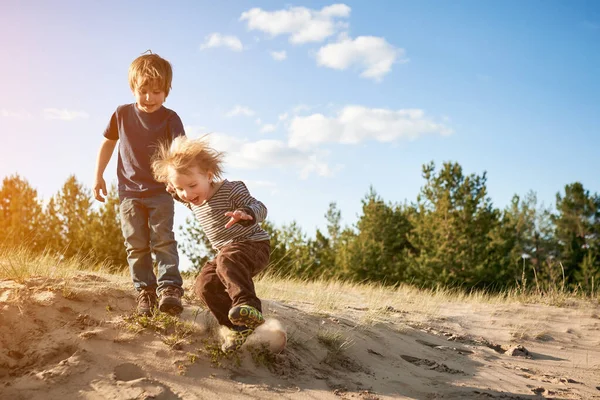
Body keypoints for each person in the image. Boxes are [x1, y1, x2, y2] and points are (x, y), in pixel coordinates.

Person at [151, 136, 271, 353]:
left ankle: (248, 305)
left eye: (193, 185)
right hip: (227, 253)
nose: (187, 194)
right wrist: (174, 187)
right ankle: (237, 327)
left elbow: (260, 206)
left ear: (208, 176)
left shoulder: (232, 189)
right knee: (204, 284)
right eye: (179, 188)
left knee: (226, 258)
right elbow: (182, 192)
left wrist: (246, 213)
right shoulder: (192, 200)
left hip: (253, 245)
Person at [93, 52, 185, 316]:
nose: (149, 98)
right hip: (129, 193)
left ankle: (169, 289)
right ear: (133, 87)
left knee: (163, 240)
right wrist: (98, 175)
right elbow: (108, 143)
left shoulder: (170, 119)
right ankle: (145, 291)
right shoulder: (121, 114)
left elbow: (180, 153)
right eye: (143, 90)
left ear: (166, 91)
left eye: (156, 92)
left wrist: (182, 185)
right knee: (135, 243)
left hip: (161, 191)